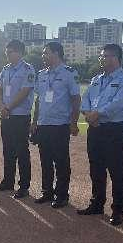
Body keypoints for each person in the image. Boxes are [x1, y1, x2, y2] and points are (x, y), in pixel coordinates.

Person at [77, 44, 123, 225]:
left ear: (118, 58)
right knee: (96, 168)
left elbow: (118, 103)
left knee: (116, 170)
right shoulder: (96, 79)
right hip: (95, 128)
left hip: (114, 129)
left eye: (108, 56)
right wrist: (88, 114)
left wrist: (97, 114)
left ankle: (118, 210)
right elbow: (85, 99)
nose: (104, 59)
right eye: (102, 56)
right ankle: (96, 203)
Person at [32, 42, 81, 208]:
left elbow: (76, 99)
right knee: (45, 160)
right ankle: (47, 191)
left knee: (61, 162)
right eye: (43, 53)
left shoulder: (69, 73)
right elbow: (39, 100)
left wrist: (74, 122)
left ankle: (62, 195)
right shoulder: (41, 74)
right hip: (44, 124)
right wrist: (34, 121)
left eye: (46, 53)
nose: (43, 56)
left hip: (60, 124)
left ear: (57, 53)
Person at [0, 40, 35, 198]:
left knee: (22, 151)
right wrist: (1, 106)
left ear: (19, 52)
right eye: (6, 52)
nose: (7, 55)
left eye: (10, 52)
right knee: (8, 150)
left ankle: (24, 186)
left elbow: (25, 92)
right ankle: (8, 181)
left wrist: (8, 107)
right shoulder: (5, 69)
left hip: (20, 115)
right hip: (6, 115)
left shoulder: (28, 69)